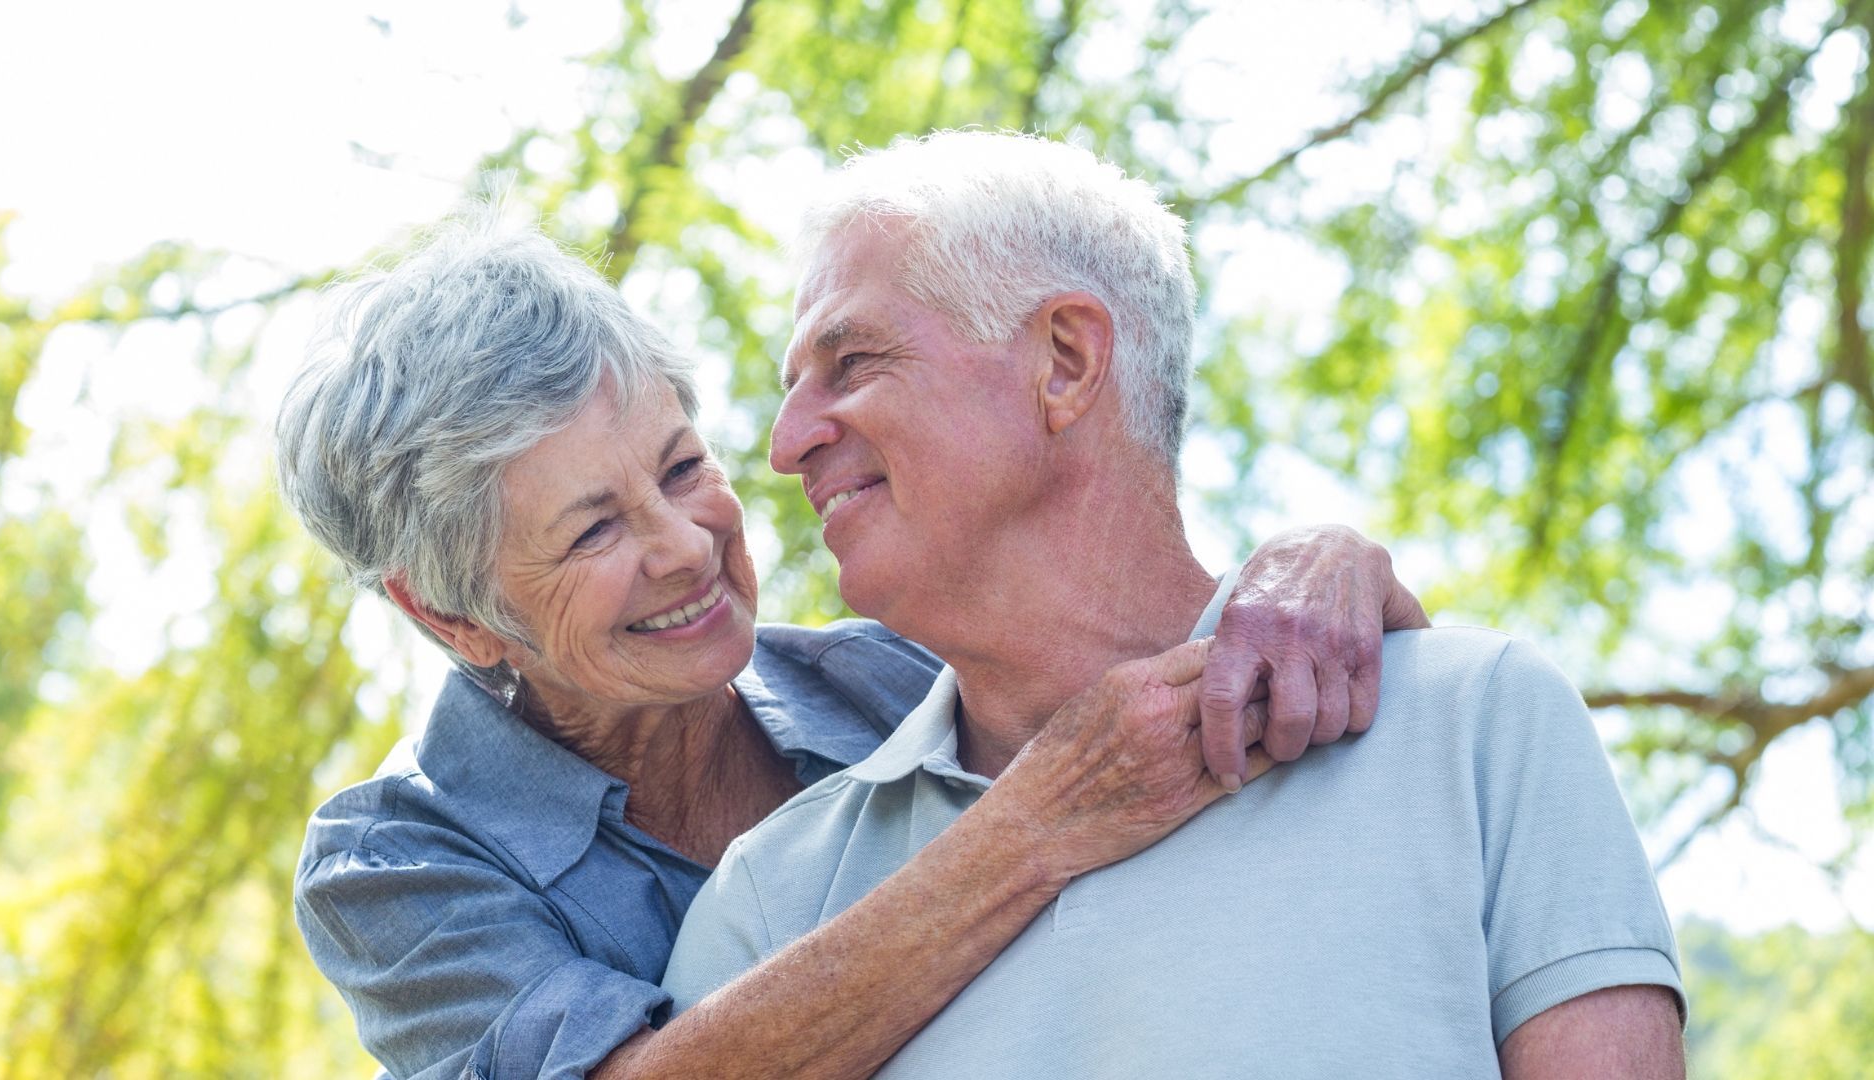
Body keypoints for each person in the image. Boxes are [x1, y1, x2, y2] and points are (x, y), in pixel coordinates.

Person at [274, 214, 1431, 1079]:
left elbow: (1165, 684)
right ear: (451, 614)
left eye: (682, 469)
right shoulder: (395, 861)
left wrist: (1314, 564)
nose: (686, 546)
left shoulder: (883, 676)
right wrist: (1032, 828)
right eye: (592, 529)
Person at [661, 131, 1687, 1078]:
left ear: (1063, 360)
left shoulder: (1471, 726)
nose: (784, 444)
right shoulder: (771, 900)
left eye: (851, 362)